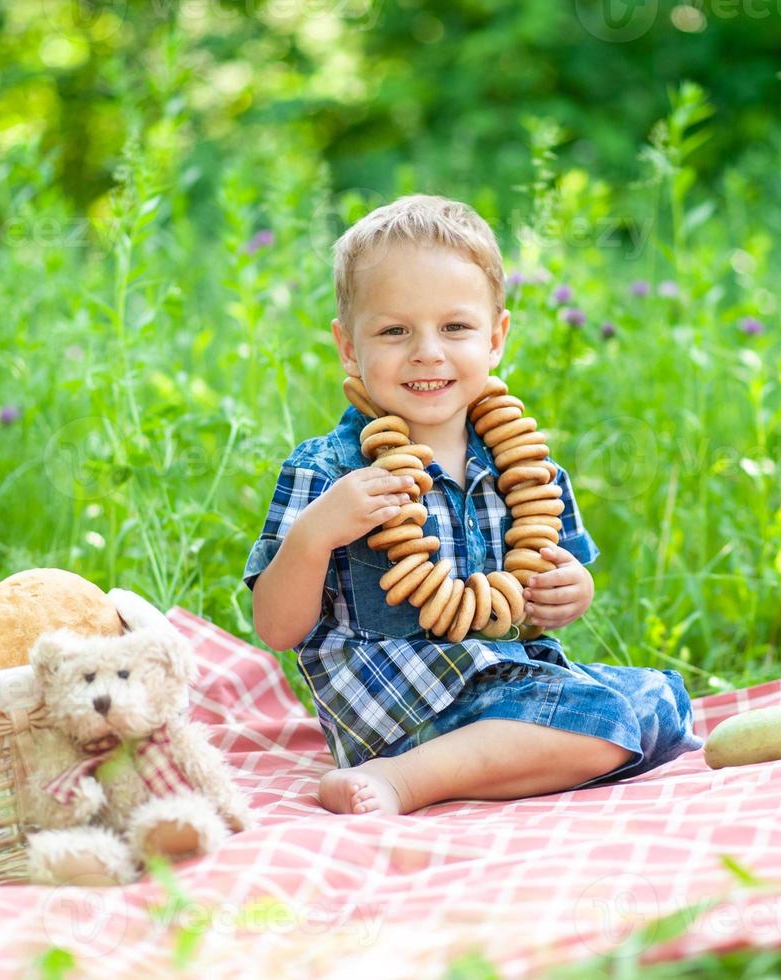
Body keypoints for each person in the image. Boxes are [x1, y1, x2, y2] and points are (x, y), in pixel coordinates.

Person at [244, 194, 703, 815]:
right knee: (602, 720)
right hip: (399, 703)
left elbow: (541, 596)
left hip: (506, 682)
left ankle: (492, 764)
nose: (427, 351)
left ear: (496, 338)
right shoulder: (328, 472)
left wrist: (572, 592)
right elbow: (276, 629)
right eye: (394, 330)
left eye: (454, 327)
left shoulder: (525, 466)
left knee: (661, 701)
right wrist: (315, 534)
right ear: (349, 347)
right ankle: (401, 780)